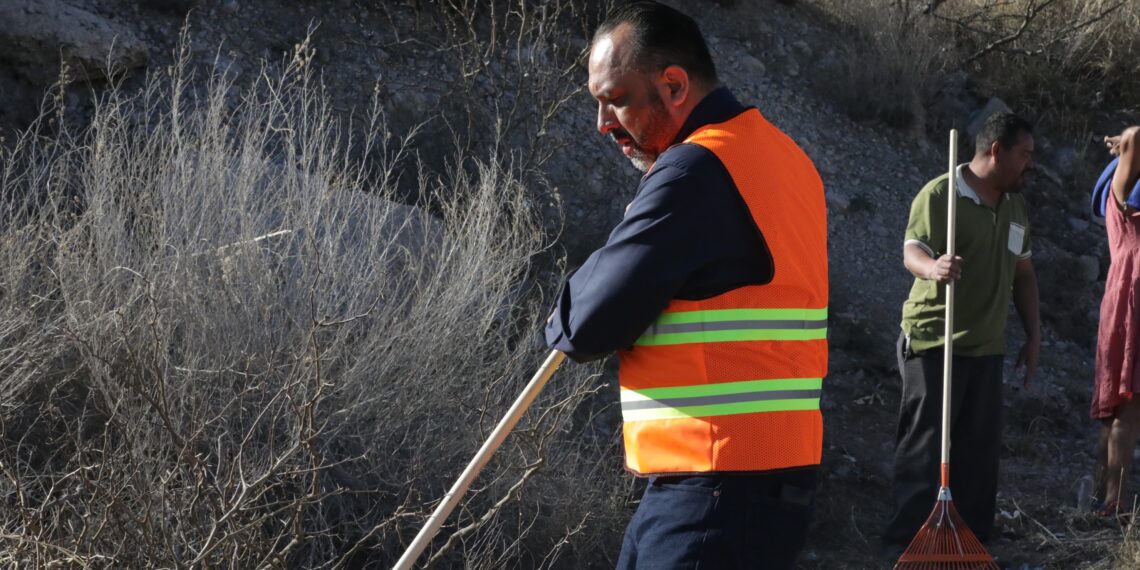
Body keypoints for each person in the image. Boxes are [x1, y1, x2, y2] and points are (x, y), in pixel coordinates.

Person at [543, 2, 828, 568]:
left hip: (716, 485)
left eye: (615, 99)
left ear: (673, 85)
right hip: (756, 480)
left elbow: (583, 326)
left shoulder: (696, 169)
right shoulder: (784, 155)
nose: (602, 123)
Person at [881, 112, 1041, 558]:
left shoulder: (1014, 206)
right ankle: (905, 542)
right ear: (997, 151)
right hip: (935, 341)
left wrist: (1033, 335)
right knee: (926, 445)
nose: (1030, 164)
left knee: (979, 449)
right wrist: (933, 267)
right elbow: (912, 250)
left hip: (986, 346)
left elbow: (1023, 273)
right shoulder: (941, 195)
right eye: (1024, 155)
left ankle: (970, 540)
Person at [1090, 126, 1140, 515]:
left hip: (1124, 295)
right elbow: (1137, 134)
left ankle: (1102, 498)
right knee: (1127, 406)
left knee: (1116, 410)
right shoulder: (1122, 194)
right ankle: (1114, 504)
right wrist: (1126, 140)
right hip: (1133, 299)